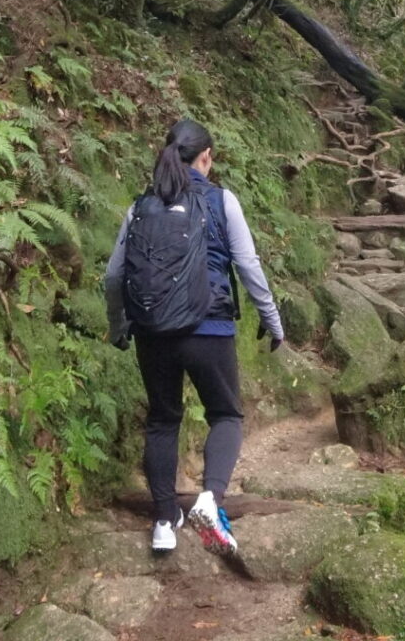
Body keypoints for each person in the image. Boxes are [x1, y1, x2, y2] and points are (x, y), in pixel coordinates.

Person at [104, 119, 284, 557]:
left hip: (153, 332)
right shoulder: (222, 200)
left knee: (163, 419)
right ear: (206, 158)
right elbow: (248, 265)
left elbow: (113, 275)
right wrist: (272, 320)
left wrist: (118, 326)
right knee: (225, 414)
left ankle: (164, 520)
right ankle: (210, 499)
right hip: (209, 328)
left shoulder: (141, 206)